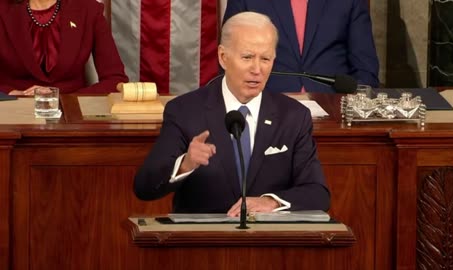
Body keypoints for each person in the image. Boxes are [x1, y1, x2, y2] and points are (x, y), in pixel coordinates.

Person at [134, 11, 330, 216]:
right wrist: (185, 164)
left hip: (269, 242)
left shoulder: (293, 116)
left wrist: (272, 202)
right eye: (247, 57)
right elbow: (144, 187)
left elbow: (317, 193)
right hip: (202, 242)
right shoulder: (185, 111)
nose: (257, 69)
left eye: (265, 59)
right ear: (223, 57)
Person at [223, 0, 379, 93]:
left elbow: (365, 70)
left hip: (334, 111)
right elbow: (230, 60)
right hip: (266, 110)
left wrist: (352, 109)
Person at [0, 0, 128, 95]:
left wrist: (62, 99)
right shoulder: (3, 8)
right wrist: (12, 94)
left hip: (72, 115)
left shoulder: (89, 9)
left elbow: (115, 80)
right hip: (13, 111)